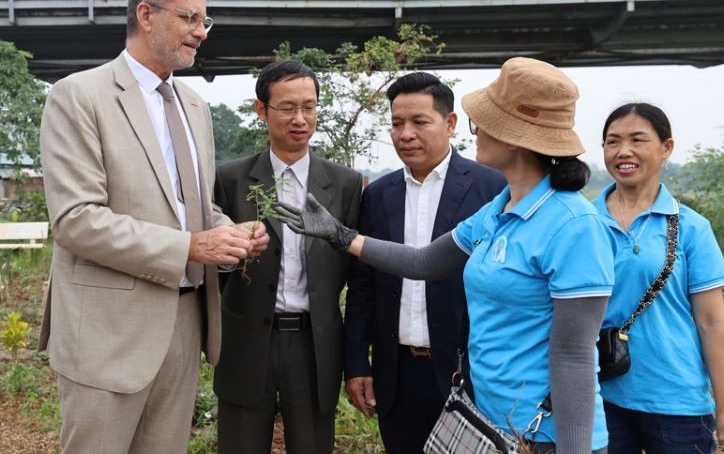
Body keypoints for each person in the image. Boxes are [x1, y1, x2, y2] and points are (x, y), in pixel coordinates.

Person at [275, 57, 616, 454]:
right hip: (488, 422)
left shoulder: (574, 226)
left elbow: (574, 356)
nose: (477, 132)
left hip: (543, 436)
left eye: (482, 122)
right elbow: (424, 263)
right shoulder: (499, 210)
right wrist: (341, 235)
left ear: (516, 136)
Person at [38, 0, 269, 454]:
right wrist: (191, 245)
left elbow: (193, 206)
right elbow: (76, 220)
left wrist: (230, 233)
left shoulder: (195, 107)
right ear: (146, 14)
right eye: (190, 18)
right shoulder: (79, 96)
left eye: (206, 22)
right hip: (109, 332)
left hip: (185, 325)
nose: (201, 33)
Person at [343, 72, 505, 453]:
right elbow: (363, 286)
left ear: (450, 124)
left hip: (469, 371)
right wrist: (357, 364)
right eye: (397, 123)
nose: (406, 134)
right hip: (397, 372)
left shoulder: (491, 188)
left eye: (419, 122)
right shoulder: (379, 194)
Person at [213, 59, 363, 454]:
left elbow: (355, 274)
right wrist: (233, 255)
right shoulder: (230, 179)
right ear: (261, 110)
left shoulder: (346, 184)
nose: (300, 118)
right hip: (245, 340)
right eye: (287, 107)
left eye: (309, 106)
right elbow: (212, 265)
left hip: (314, 346)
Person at [595, 103, 724, 454]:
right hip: (599, 396)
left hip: (677, 402)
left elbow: (713, 323)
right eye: (612, 141)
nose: (624, 151)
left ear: (666, 148)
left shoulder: (691, 228)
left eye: (638, 139)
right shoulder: (582, 224)